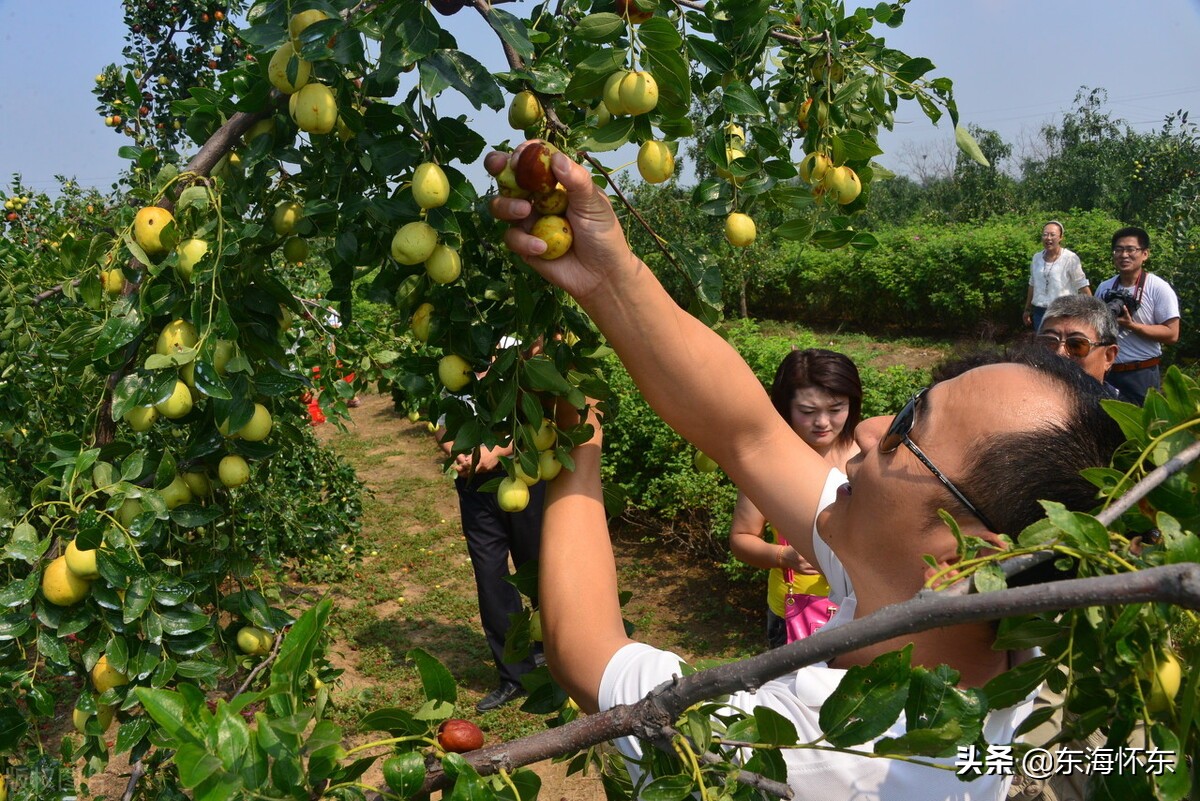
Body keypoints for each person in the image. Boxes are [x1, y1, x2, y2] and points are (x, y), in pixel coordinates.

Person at [487, 143, 1125, 799]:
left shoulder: (814, 753)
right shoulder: (981, 631)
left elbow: (581, 646)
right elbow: (750, 436)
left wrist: (574, 447)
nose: (872, 427)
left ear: (965, 560)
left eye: (908, 430)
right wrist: (607, 272)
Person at [435, 347, 545, 712]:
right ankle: (515, 675)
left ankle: (556, 651)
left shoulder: (518, 357)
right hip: (474, 488)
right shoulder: (453, 367)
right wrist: (458, 452)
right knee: (491, 576)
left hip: (520, 476)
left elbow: (536, 422)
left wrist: (495, 453)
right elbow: (442, 425)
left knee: (539, 566)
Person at [729, 349, 861, 648]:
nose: (823, 422)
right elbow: (741, 538)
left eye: (836, 408)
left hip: (862, 609)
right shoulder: (768, 467)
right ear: (785, 408)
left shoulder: (867, 459)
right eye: (808, 411)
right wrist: (783, 557)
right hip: (794, 614)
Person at [1095, 227, 1181, 405]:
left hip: (1141, 373)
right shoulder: (1105, 287)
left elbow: (1172, 334)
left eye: (1131, 249)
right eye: (1118, 249)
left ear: (1145, 254)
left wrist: (1131, 325)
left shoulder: (1158, 288)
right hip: (1107, 371)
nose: (1124, 255)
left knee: (1142, 427)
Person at [1035, 294, 1120, 391]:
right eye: (1050, 343)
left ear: (1108, 356)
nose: (1059, 353)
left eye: (1076, 345)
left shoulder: (1120, 406)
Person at [1022, 220, 1091, 332]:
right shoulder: (1036, 258)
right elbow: (1032, 284)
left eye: (1052, 235)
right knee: (1043, 346)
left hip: (1063, 313)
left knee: (1060, 347)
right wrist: (1027, 309)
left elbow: (1082, 285)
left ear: (1061, 237)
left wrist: (1091, 312)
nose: (1048, 238)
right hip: (1040, 313)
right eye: (1045, 234)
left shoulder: (1070, 258)